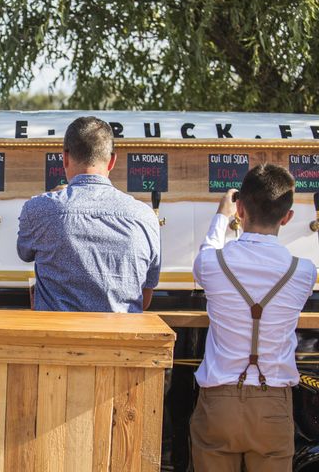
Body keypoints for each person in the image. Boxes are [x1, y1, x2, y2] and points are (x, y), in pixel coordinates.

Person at [190, 164, 316, 471]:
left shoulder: (212, 263)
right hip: (273, 404)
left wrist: (221, 216)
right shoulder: (303, 271)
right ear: (287, 218)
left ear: (240, 209)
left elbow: (207, 250)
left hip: (218, 403)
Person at [17, 116, 160, 312]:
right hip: (122, 339)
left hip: (59, 339)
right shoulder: (146, 216)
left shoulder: (38, 208)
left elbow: (24, 254)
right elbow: (145, 297)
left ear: (65, 158)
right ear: (112, 161)